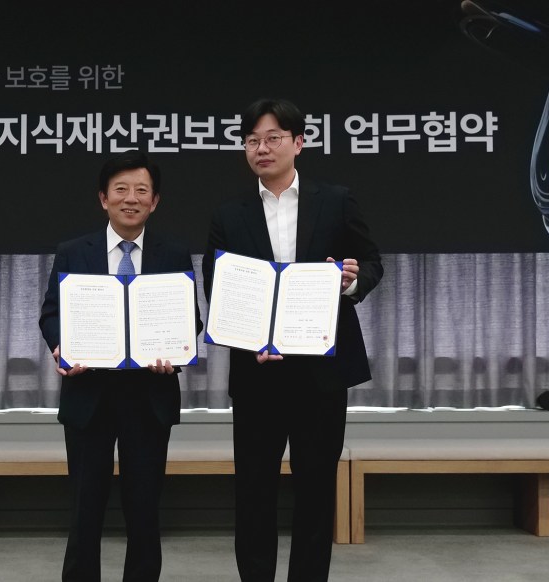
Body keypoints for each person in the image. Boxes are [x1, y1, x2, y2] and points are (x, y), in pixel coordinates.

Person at [202, 98, 383, 582]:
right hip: (257, 372)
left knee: (316, 490)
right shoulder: (229, 215)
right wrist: (247, 336)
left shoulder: (336, 200)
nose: (261, 149)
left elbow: (371, 262)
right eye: (252, 141)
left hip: (321, 373)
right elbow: (218, 287)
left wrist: (349, 282)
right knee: (253, 490)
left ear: (298, 143)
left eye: (273, 138)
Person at [39, 150, 200, 582]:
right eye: (121, 189)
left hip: (149, 397)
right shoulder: (74, 252)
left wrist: (174, 354)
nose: (131, 198)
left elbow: (190, 319)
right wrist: (60, 347)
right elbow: (51, 314)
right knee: (84, 510)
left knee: (144, 511)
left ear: (155, 201)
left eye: (141, 191)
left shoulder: (173, 253)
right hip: (88, 394)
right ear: (103, 198)